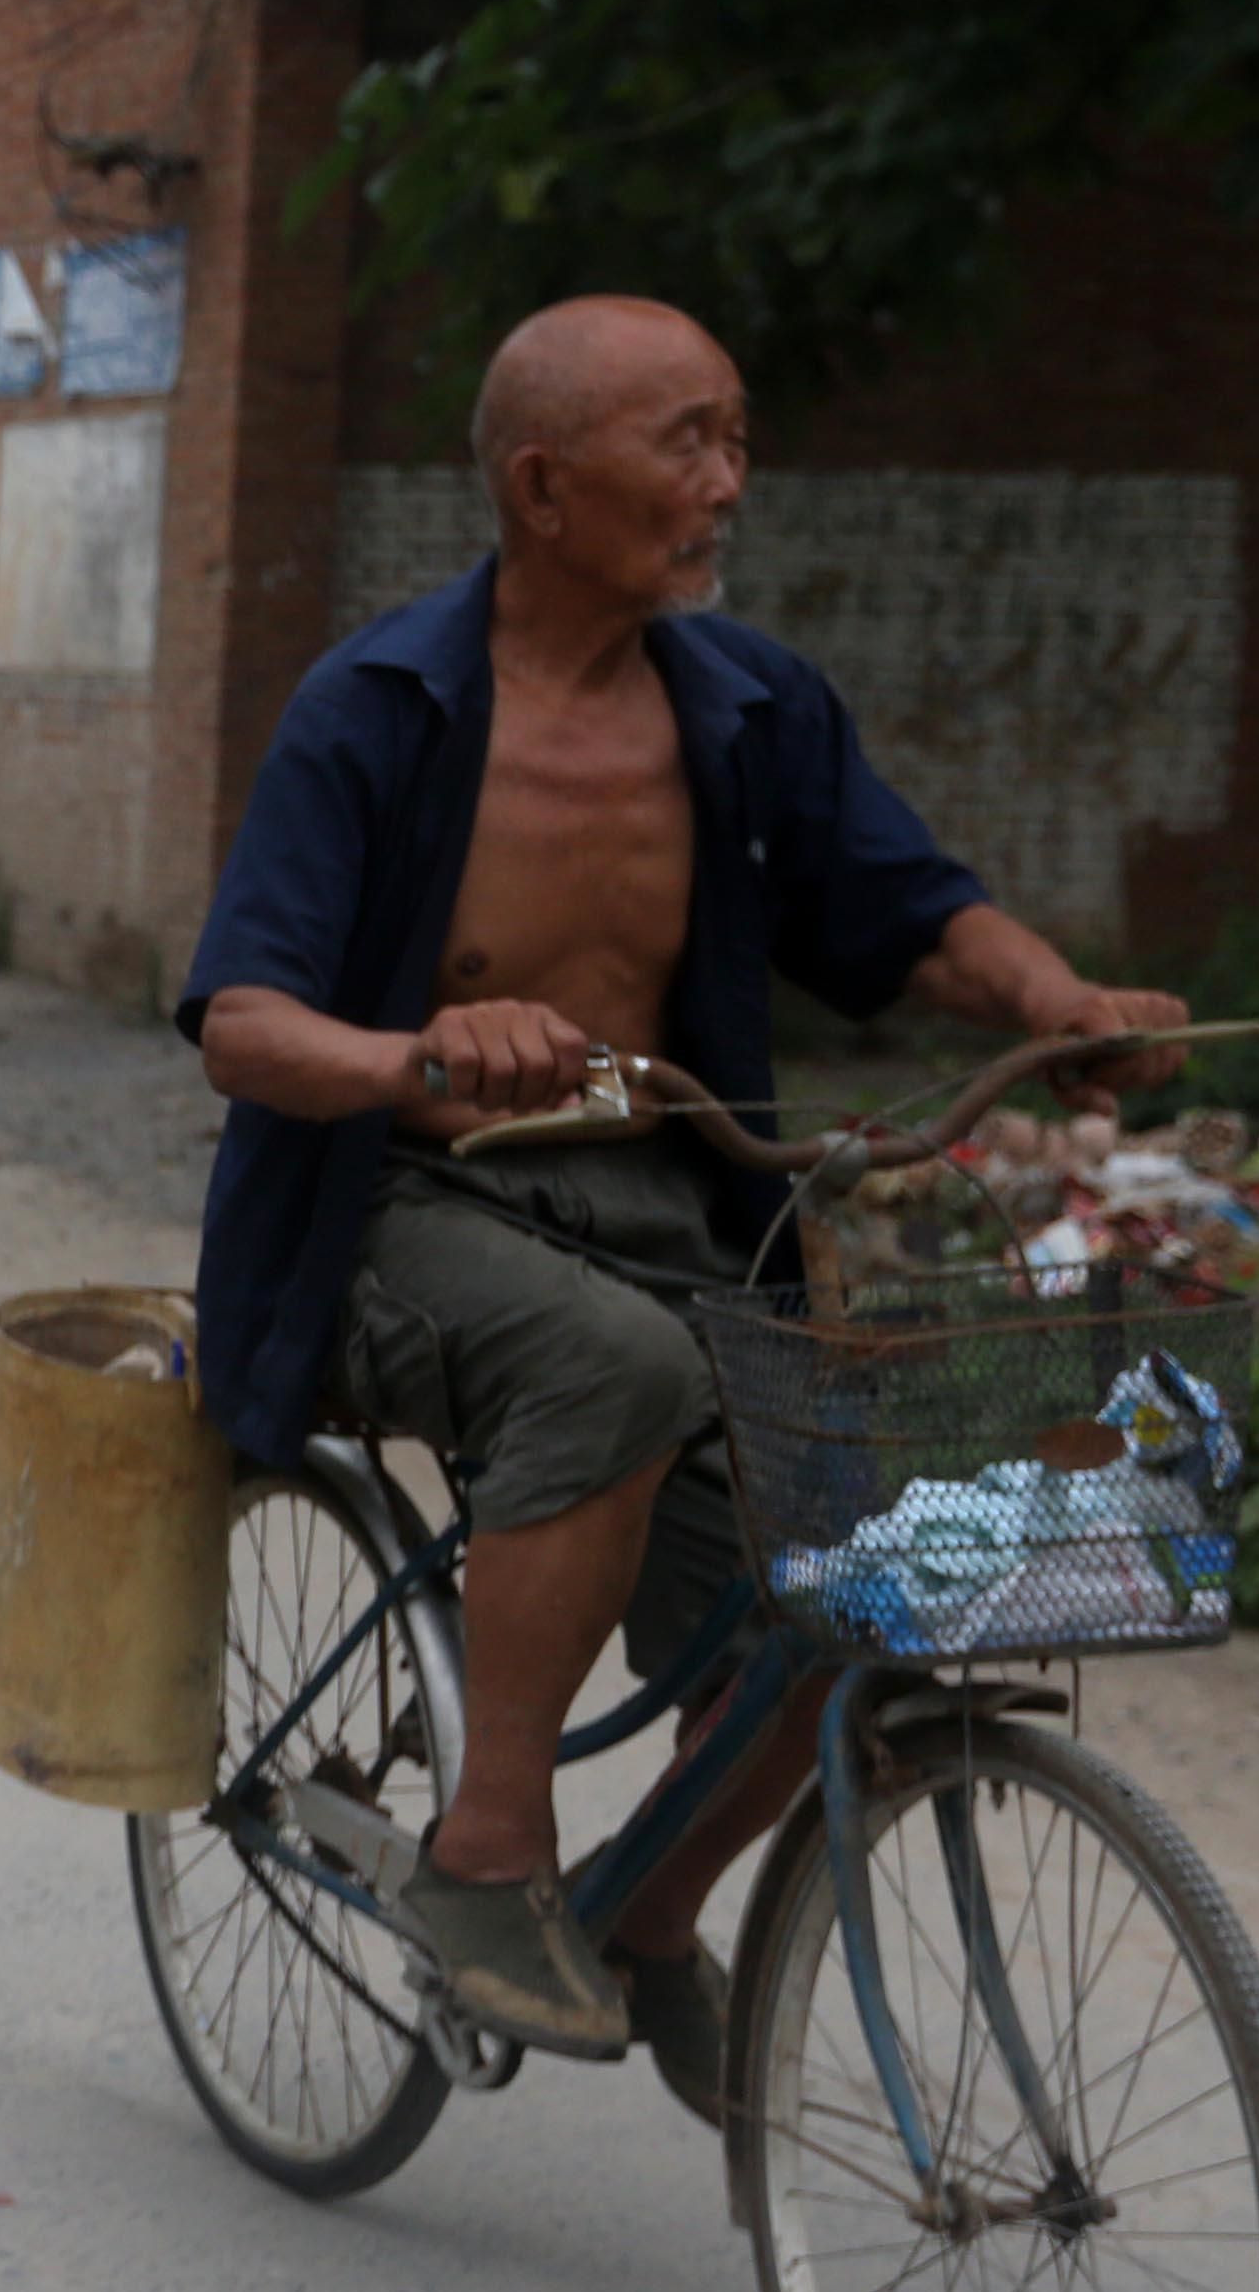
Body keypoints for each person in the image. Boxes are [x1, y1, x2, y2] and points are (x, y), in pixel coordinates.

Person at [176, 295, 1181, 2112]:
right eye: (687, 444)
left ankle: (649, 1916)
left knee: (870, 1568)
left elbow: (918, 907)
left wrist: (1054, 1003)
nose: (727, 485)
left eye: (738, 443)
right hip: (393, 1218)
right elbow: (243, 1023)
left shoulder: (750, 708)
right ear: (546, 485)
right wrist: (418, 1053)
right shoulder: (383, 712)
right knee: (618, 1365)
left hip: (681, 1211)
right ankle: (491, 1855)